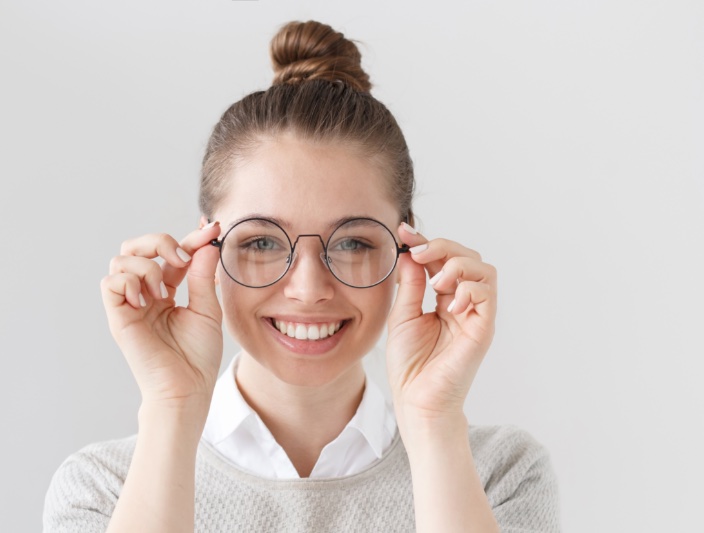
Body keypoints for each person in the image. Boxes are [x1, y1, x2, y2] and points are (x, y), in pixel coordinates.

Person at [43, 20, 560, 533]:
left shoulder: (500, 476)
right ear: (204, 250)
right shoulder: (102, 491)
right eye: (262, 242)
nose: (309, 289)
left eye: (353, 242)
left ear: (408, 253)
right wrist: (172, 408)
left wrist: (433, 424)